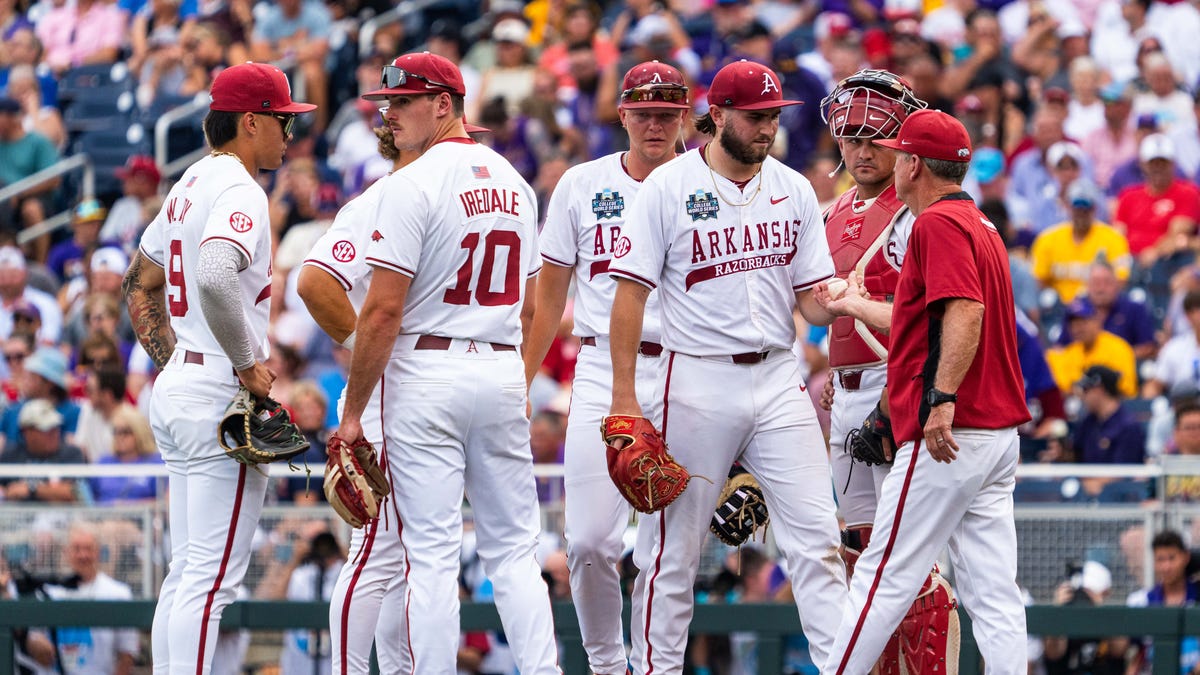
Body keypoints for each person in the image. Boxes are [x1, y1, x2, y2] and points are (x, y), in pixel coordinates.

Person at [607, 59, 847, 673]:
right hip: (695, 377)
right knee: (672, 554)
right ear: (718, 115)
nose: (767, 127)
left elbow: (813, 306)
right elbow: (629, 294)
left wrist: (850, 297)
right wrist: (624, 399)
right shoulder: (667, 186)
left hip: (776, 373)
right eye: (755, 116)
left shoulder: (792, 187)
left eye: (773, 116)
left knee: (818, 542)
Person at [331, 51, 559, 674]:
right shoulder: (514, 180)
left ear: (444, 104)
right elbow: (537, 308)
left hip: (427, 371)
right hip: (499, 366)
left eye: (403, 102)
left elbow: (380, 313)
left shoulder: (411, 182)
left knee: (428, 555)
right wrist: (516, 383)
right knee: (515, 552)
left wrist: (352, 415)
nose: (390, 113)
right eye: (387, 102)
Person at [120, 61, 314, 674]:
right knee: (209, 580)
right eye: (282, 120)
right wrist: (246, 363)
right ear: (249, 121)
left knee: (187, 573)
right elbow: (212, 273)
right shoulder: (239, 189)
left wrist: (178, 361)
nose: (289, 132)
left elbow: (137, 284)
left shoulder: (189, 183)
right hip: (213, 388)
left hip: (181, 381)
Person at [822, 109, 1030, 673]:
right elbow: (925, 321)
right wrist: (855, 308)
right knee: (994, 595)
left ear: (914, 163)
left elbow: (964, 310)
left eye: (899, 153)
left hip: (950, 434)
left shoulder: (935, 224)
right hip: (996, 436)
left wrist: (939, 400)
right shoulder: (979, 224)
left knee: (882, 576)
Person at [521, 59, 689, 675]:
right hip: (598, 367)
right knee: (590, 542)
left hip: (685, 367)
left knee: (667, 552)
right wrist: (521, 379)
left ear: (685, 119)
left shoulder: (707, 182)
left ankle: (655, 666)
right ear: (621, 114)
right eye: (643, 112)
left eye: (667, 113)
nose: (654, 124)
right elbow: (547, 297)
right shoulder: (582, 183)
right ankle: (606, 664)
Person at [815, 68, 963, 672]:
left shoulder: (914, 210)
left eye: (874, 138)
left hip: (893, 384)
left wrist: (900, 394)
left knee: (904, 556)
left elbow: (927, 312)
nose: (861, 150)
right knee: (859, 551)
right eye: (850, 138)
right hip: (846, 386)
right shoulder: (831, 209)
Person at [41, 526, 140, 675]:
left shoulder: (118, 593)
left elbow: (127, 653)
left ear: (98, 551)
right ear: (66, 552)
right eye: (77, 549)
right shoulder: (49, 592)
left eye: (88, 548)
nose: (83, 555)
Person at [1030, 179, 1131, 303]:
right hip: (1060, 308)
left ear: (1094, 208)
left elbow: (1121, 280)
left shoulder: (1113, 238)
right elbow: (1039, 280)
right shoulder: (1048, 238)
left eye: (1086, 208)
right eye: (1077, 207)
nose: (1081, 213)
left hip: (1098, 306)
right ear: (1068, 207)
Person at [1127, 529, 1200, 674]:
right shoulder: (1141, 600)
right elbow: (1138, 651)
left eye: (1172, 558)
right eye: (1160, 559)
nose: (1166, 567)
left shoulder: (1198, 594)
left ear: (1185, 558)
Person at [0, 398, 87, 502]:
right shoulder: (10, 456)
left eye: (56, 427)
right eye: (46, 429)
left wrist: (31, 489)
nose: (54, 433)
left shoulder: (71, 454)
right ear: (26, 432)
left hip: (61, 517)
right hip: (18, 517)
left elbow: (76, 493)